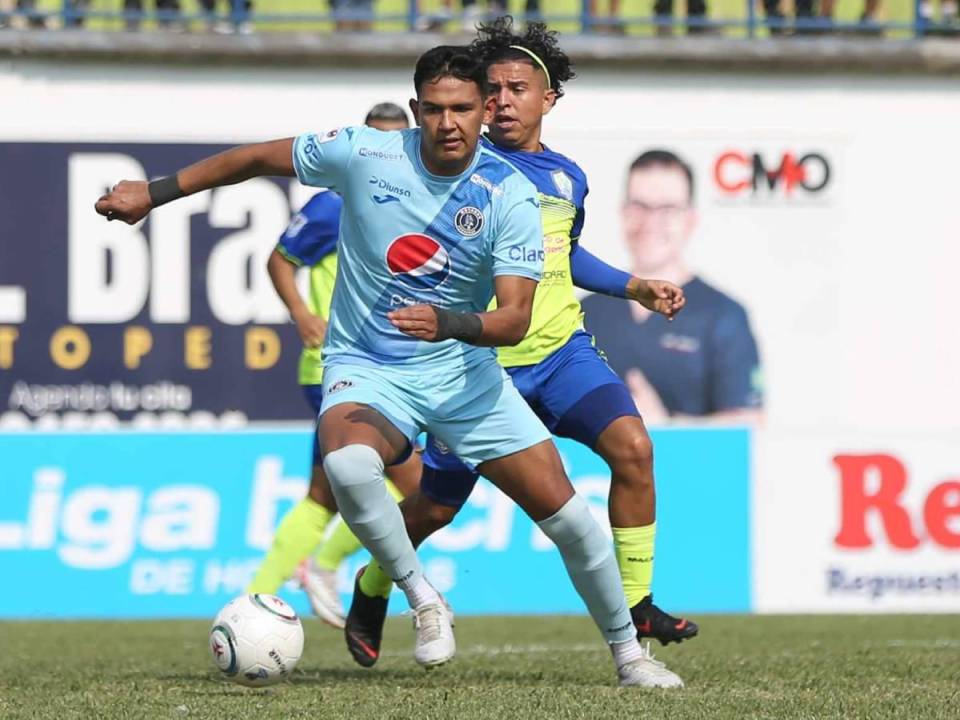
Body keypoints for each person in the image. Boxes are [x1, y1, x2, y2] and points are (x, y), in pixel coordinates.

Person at [94, 44, 680, 688]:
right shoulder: (364, 153)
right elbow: (253, 158)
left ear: (483, 112)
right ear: (415, 110)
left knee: (570, 520)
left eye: (461, 109)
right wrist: (152, 193)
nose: (448, 123)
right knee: (347, 464)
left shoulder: (510, 192)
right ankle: (421, 598)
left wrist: (449, 323)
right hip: (368, 366)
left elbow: (513, 318)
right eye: (433, 110)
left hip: (466, 375)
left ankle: (630, 656)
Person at [345, 18, 695, 678]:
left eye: (516, 88)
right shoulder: (459, 166)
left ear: (548, 99)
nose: (502, 100)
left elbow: (564, 254)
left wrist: (633, 286)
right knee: (435, 509)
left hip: (562, 352)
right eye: (493, 90)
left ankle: (638, 603)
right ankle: (372, 585)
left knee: (635, 449)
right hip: (481, 366)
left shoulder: (568, 177)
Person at [246, 102, 419, 630]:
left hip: (389, 366)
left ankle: (254, 601)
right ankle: (323, 565)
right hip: (337, 366)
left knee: (322, 496)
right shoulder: (333, 206)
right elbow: (280, 259)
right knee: (420, 487)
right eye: (380, 143)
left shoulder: (414, 201)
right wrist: (300, 314)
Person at [581, 150, 764, 424]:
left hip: (689, 467)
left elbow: (749, 423)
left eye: (667, 210)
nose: (650, 223)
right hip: (591, 468)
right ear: (623, 213)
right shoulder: (582, 313)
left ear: (690, 220)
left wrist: (666, 427)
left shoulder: (723, 316)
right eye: (639, 207)